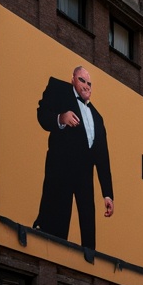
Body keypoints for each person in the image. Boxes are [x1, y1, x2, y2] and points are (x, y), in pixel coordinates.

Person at [33, 65, 114, 251]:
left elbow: (102, 158)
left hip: (85, 176)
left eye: (89, 83)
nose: (86, 86)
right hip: (61, 168)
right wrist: (61, 118)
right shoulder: (59, 89)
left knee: (87, 224)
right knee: (56, 227)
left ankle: (89, 258)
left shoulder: (97, 117)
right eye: (82, 80)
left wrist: (107, 194)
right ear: (72, 80)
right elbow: (42, 114)